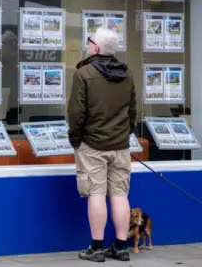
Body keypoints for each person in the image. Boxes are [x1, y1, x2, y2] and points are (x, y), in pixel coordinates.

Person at [67, 27, 137, 262]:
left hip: (93, 144)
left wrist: (76, 139)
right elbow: (133, 111)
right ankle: (121, 246)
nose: (87, 45)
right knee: (120, 195)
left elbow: (76, 113)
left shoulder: (84, 73)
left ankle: (96, 248)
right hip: (120, 145)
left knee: (96, 194)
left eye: (89, 42)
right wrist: (125, 134)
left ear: (95, 48)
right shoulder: (127, 74)